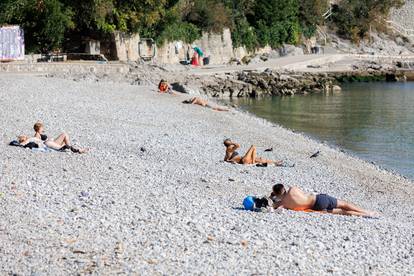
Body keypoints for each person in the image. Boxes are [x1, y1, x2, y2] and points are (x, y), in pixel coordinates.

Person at [270, 184, 377, 217]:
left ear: (276, 194)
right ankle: (367, 212)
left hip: (315, 208)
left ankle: (365, 215)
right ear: (283, 188)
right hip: (319, 199)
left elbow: (273, 204)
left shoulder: (282, 204)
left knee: (342, 212)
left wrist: (274, 198)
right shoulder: (293, 189)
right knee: (345, 204)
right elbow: (304, 194)